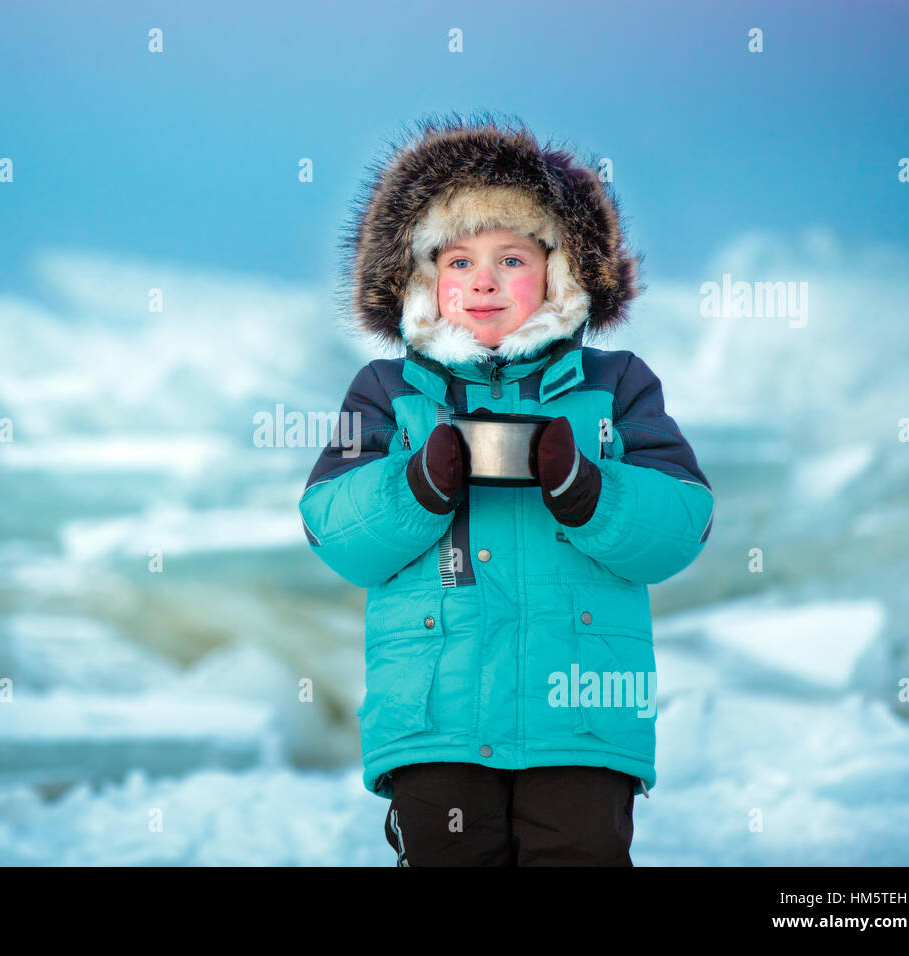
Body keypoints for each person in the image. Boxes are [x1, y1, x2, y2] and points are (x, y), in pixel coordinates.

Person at [299, 112, 715, 866]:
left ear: (560, 271)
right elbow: (333, 530)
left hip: (581, 718)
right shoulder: (386, 394)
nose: (484, 280)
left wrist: (590, 491)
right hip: (439, 720)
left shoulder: (615, 387)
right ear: (421, 279)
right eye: (457, 260)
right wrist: (418, 483)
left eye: (512, 258)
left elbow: (684, 523)